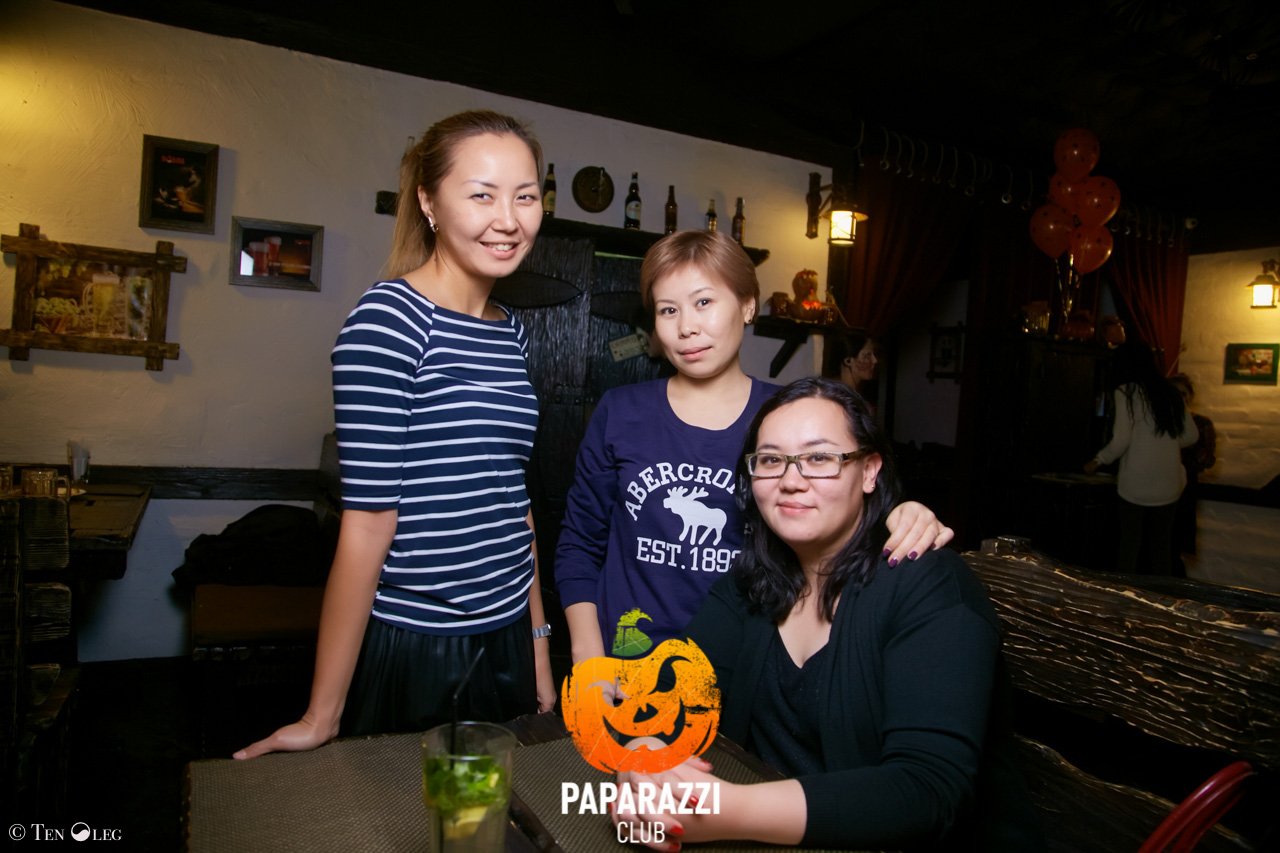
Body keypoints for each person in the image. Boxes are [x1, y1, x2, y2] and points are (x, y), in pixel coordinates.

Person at [236, 110, 555, 759]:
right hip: (419, 646)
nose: (509, 219)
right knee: (406, 812)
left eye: (525, 197)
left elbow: (513, 502)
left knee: (503, 813)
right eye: (482, 195)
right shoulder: (389, 321)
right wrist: (321, 715)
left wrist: (539, 651)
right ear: (429, 202)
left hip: (508, 639)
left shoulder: (513, 331)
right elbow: (367, 524)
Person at [608, 377, 1042, 850]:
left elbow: (926, 790)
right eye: (770, 460)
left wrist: (725, 810)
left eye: (819, 458)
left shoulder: (929, 587)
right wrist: (643, 754)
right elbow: (670, 692)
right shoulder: (751, 582)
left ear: (869, 471)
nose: (791, 480)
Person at [555, 231, 952, 663]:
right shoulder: (621, 412)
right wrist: (589, 656)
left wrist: (902, 515)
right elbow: (579, 544)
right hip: (628, 659)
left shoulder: (789, 416)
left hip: (747, 663)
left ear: (747, 306)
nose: (686, 327)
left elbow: (847, 500)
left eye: (703, 302)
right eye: (668, 310)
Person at [1084, 343, 1197, 576]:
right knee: (1161, 550)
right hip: (1169, 483)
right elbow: (1191, 435)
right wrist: (1165, 444)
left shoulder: (1126, 392)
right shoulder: (1171, 393)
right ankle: (1160, 597)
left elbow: (1121, 439)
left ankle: (1123, 595)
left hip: (1135, 483)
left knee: (1129, 547)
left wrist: (1098, 460)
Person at [1169, 373, 1217, 571]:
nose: (1179, 398)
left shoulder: (1201, 423)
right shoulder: (1163, 422)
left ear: (1190, 396)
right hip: (1163, 482)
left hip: (1187, 485)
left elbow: (1207, 458)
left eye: (1182, 393)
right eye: (1174, 393)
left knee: (1178, 537)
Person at [829, 331, 879, 396]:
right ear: (848, 361)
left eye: (874, 354)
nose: (875, 360)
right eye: (867, 355)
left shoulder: (855, 392)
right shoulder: (835, 394)